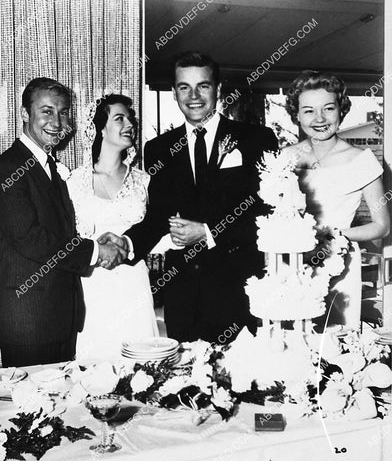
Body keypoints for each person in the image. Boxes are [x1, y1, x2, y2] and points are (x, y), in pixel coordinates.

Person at [100, 51, 278, 344]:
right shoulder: (158, 148)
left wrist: (208, 232)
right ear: (174, 92)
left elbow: (266, 215)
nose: (193, 96)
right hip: (182, 296)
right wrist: (126, 242)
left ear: (218, 89)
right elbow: (157, 216)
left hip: (237, 290)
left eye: (203, 86)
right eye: (184, 87)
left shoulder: (256, 140)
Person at [0, 78, 127, 368]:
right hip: (28, 322)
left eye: (63, 112)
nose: (57, 122)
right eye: (46, 111)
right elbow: (30, 239)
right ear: (24, 114)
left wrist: (97, 239)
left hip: (60, 319)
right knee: (30, 411)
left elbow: (60, 234)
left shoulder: (53, 170)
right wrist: (96, 252)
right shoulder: (8, 168)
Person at [284, 70, 390, 331]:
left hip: (340, 262)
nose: (319, 119)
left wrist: (333, 235)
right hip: (292, 264)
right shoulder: (285, 157)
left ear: (341, 110)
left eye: (328, 108)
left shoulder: (361, 159)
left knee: (335, 349)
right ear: (296, 115)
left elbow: (382, 226)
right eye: (308, 111)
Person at [67, 94, 159, 361]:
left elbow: (156, 234)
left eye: (130, 119)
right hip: (91, 287)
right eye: (119, 118)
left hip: (134, 285)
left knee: (141, 372)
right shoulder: (74, 181)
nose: (129, 123)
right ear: (100, 128)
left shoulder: (144, 181)